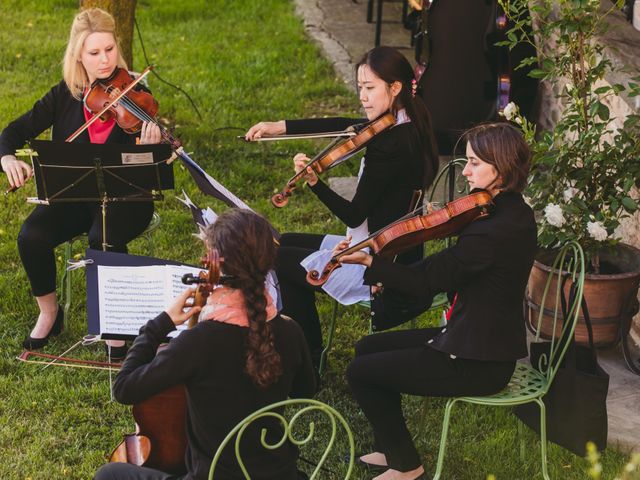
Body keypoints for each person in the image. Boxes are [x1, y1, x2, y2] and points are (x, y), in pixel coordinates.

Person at [339, 122, 537, 480]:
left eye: (475, 163)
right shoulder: (513, 212)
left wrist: (372, 261)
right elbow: (451, 261)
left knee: (360, 373)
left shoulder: (490, 233)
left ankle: (407, 466)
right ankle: (390, 444)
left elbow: (425, 281)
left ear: (502, 168)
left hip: (476, 360)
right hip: (474, 338)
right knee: (367, 348)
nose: (465, 170)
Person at [245, 46, 439, 366]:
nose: (362, 97)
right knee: (285, 240)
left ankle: (306, 357)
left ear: (395, 88)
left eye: (370, 88)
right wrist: (278, 126)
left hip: (378, 263)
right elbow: (343, 124)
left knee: (278, 259)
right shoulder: (404, 120)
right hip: (393, 246)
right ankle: (303, 347)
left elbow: (354, 214)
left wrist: (314, 183)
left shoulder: (389, 146)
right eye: (359, 87)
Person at [94, 209, 316, 480]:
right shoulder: (290, 330)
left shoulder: (198, 343)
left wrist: (159, 325)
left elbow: (124, 388)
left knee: (110, 474)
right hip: (280, 475)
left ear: (217, 267)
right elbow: (306, 390)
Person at [0, 8, 162, 353]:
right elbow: (13, 131)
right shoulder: (65, 95)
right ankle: (50, 313)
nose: (105, 61)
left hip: (126, 199)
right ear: (78, 56)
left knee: (101, 238)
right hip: (75, 197)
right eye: (94, 53)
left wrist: (149, 148)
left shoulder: (135, 93)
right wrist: (8, 157)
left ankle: (115, 324)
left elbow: (151, 167)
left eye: (109, 49)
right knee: (31, 236)